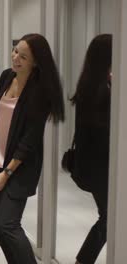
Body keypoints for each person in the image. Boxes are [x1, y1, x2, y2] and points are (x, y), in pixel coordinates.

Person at [0, 33, 65, 264]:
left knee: (7, 223)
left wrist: (7, 172)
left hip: (18, 167)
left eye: (23, 56)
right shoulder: (7, 76)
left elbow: (30, 139)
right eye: (15, 51)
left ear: (36, 62)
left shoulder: (40, 91)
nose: (15, 57)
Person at [71, 34, 112, 264]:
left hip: (93, 165)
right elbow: (104, 131)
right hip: (102, 166)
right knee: (109, 218)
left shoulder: (90, 83)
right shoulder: (102, 89)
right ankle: (83, 260)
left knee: (108, 217)